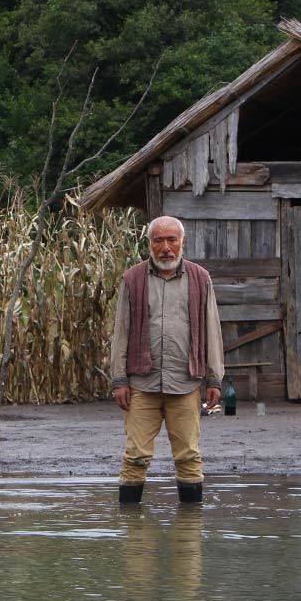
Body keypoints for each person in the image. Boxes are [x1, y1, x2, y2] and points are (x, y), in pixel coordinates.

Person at [108, 216, 224, 506]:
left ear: (182, 242)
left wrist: (214, 379)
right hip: (141, 385)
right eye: (159, 240)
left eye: (172, 239)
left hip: (185, 383)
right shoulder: (132, 279)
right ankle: (134, 540)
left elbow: (212, 330)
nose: (166, 247)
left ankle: (189, 539)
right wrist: (119, 379)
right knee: (135, 457)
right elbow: (121, 331)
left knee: (188, 456)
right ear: (149, 244)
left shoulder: (200, 278)